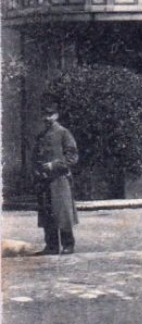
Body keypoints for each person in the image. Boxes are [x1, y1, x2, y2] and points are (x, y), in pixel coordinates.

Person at [33, 96, 79, 255]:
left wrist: (54, 165)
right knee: (47, 213)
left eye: (50, 114)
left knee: (63, 213)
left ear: (56, 115)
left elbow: (72, 157)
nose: (47, 118)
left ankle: (68, 245)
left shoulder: (64, 133)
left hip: (60, 180)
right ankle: (51, 246)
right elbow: (35, 157)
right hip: (45, 181)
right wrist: (37, 170)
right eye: (44, 115)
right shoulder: (41, 136)